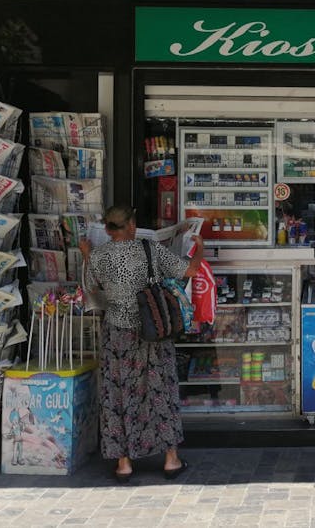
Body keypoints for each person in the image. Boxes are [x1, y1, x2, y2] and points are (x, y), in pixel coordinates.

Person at [79, 204, 204, 483]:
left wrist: (87, 255)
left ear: (108, 230)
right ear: (132, 226)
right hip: (152, 330)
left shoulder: (98, 256)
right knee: (159, 387)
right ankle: (171, 460)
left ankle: (124, 464)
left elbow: (91, 288)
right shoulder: (149, 249)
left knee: (119, 392)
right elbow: (191, 271)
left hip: (117, 333)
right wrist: (201, 246)